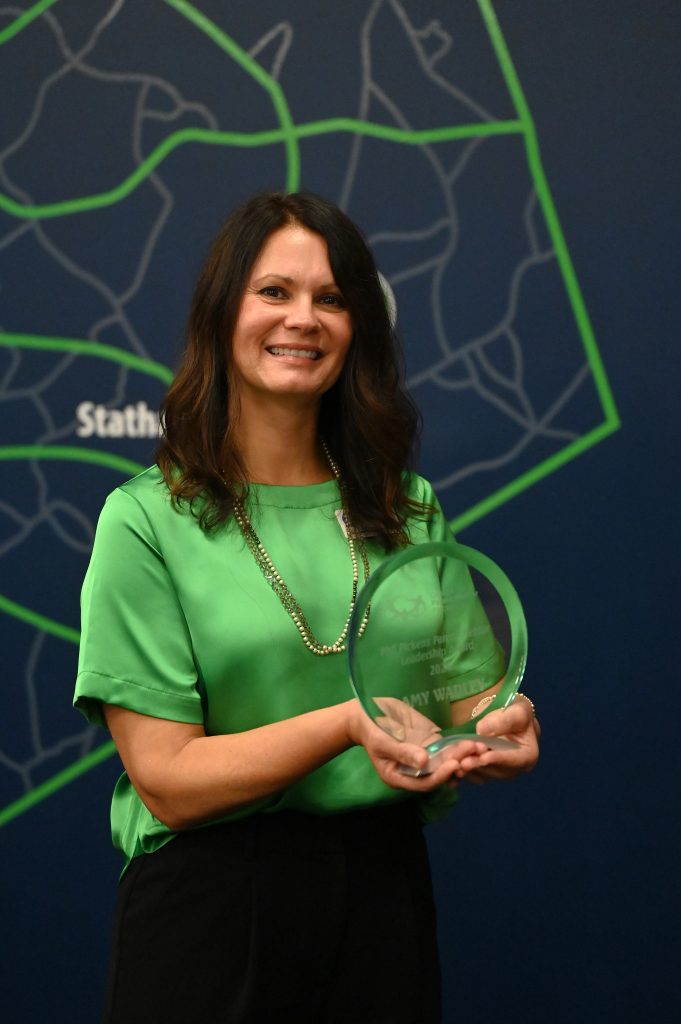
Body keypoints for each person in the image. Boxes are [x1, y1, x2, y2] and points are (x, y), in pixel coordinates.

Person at [74, 191, 540, 1024]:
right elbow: (169, 781)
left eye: (331, 298)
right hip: (212, 913)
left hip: (382, 902)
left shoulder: (410, 508)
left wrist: (499, 727)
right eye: (274, 292)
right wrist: (345, 725)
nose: (304, 319)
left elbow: (470, 695)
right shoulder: (144, 519)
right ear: (223, 313)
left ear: (359, 326)